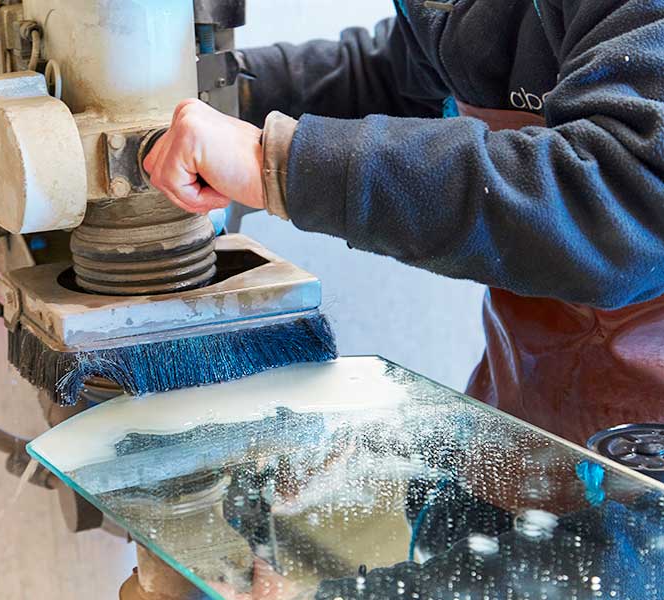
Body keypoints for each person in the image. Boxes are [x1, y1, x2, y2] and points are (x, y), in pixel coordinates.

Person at [143, 0, 664, 448]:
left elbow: (620, 199)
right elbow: (410, 79)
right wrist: (223, 92)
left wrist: (280, 162)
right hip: (530, 412)